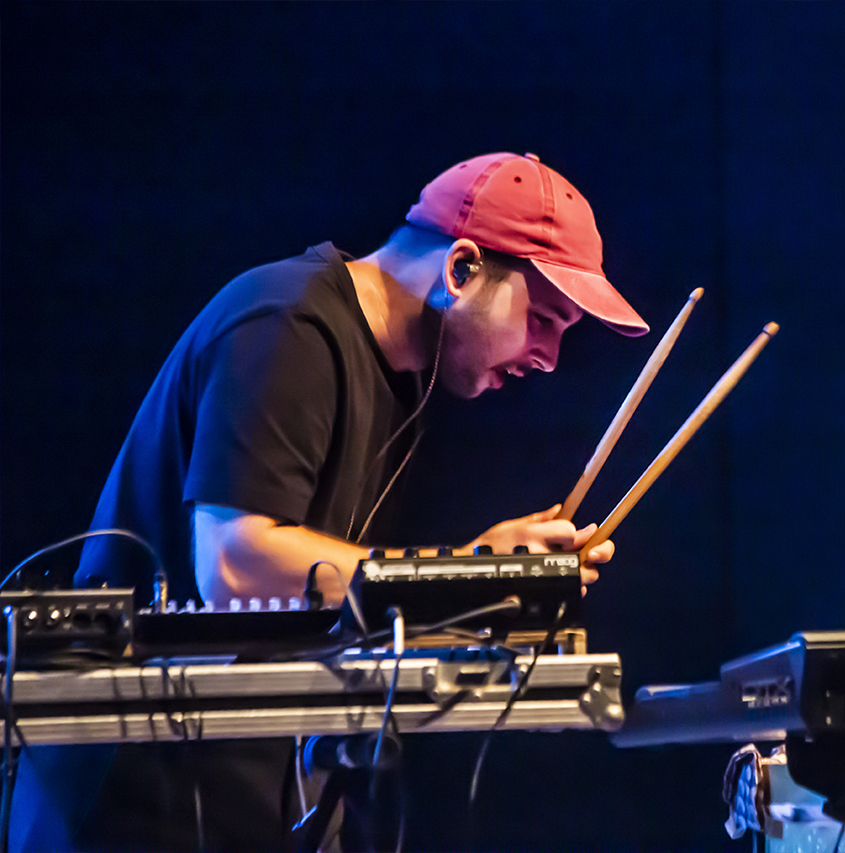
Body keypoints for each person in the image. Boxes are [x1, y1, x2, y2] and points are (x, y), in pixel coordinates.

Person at [11, 152, 649, 851]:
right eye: (545, 318)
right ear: (461, 268)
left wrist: (481, 573)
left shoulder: (405, 379)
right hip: (135, 803)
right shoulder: (287, 325)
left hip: (249, 793)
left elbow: (331, 594)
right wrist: (461, 577)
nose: (549, 356)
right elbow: (234, 565)